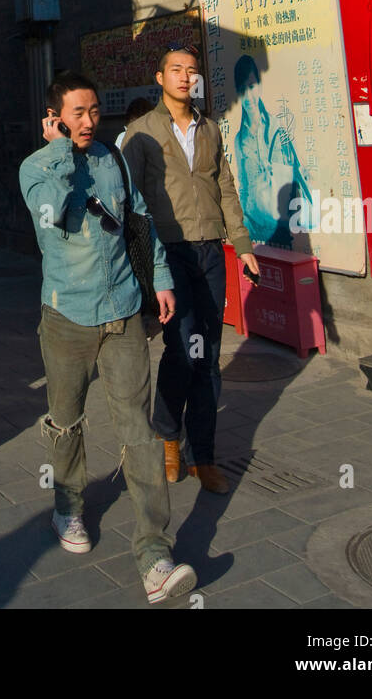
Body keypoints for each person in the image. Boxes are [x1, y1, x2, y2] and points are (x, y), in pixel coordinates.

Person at [19, 70, 196, 605]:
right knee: (66, 419)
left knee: (138, 430)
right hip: (67, 317)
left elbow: (139, 221)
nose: (89, 121)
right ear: (55, 117)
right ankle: (69, 506)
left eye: (94, 111)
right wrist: (58, 153)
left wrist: (160, 280)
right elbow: (48, 218)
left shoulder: (113, 160)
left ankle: (154, 553)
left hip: (121, 314)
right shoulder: (36, 167)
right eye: (77, 113)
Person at [122, 46, 260, 494]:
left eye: (192, 72)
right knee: (181, 350)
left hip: (209, 252)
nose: (185, 77)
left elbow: (225, 186)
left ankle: (204, 456)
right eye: (176, 70)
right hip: (168, 253)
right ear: (159, 77)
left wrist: (241, 244)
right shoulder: (140, 133)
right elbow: (130, 203)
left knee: (210, 355)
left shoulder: (211, 130)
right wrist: (139, 266)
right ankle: (167, 438)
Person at [233, 54, 313, 248]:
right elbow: (243, 187)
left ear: (259, 86)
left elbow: (287, 181)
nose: (248, 96)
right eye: (243, 90)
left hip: (279, 230)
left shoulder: (277, 127)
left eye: (251, 87)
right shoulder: (239, 139)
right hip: (253, 230)